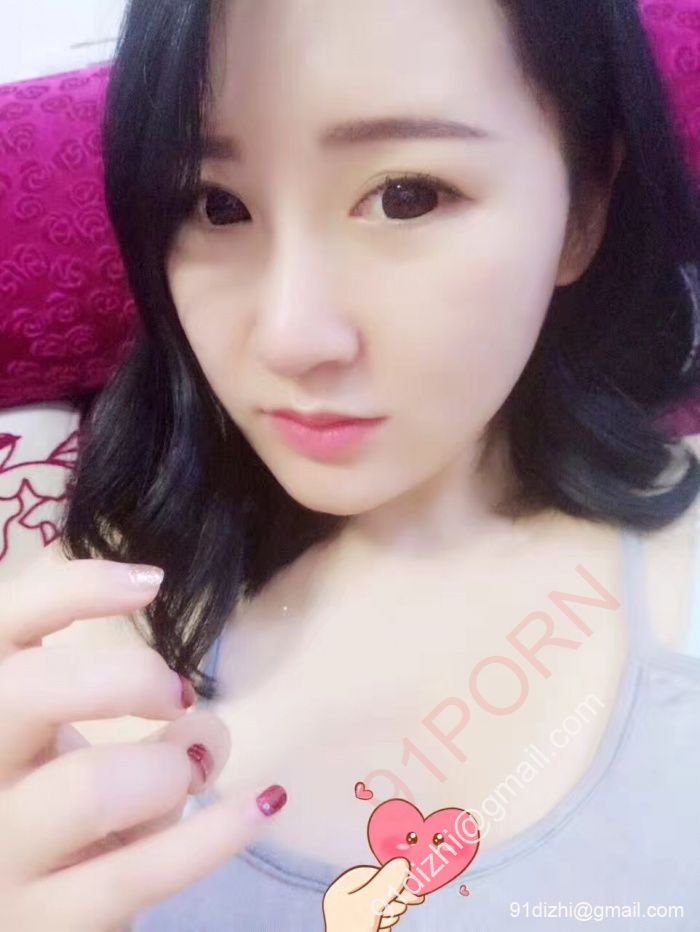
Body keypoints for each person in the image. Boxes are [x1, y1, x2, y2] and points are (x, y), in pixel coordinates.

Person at [2, 0, 700, 929]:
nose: (290, 337)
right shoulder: (63, 656)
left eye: (407, 195)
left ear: (582, 211)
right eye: (216, 206)